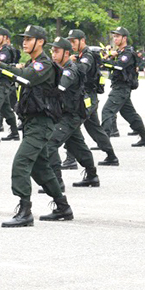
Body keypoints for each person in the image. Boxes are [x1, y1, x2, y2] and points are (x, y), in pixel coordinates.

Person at [0, 25, 73, 228]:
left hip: (41, 123)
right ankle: (63, 207)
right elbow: (18, 74)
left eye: (29, 38)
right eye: (24, 38)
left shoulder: (44, 65)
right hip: (31, 122)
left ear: (40, 42)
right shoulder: (32, 62)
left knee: (21, 164)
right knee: (40, 169)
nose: (24, 42)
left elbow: (25, 76)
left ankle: (25, 211)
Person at [48, 37, 99, 191]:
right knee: (76, 145)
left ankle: (56, 182)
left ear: (66, 53)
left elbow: (60, 89)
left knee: (50, 144)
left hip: (71, 115)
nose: (53, 54)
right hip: (67, 113)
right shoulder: (61, 67)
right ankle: (92, 175)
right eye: (52, 51)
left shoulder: (70, 70)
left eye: (57, 51)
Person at [67, 29, 118, 167]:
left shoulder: (87, 55)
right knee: (95, 128)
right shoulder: (81, 55)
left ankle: (70, 159)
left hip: (88, 96)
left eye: (74, 41)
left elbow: (82, 69)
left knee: (72, 124)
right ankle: (111, 156)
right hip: (87, 95)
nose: (71, 44)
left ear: (82, 40)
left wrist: (70, 63)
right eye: (70, 41)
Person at [100, 27, 145, 148]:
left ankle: (103, 142)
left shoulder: (127, 53)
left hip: (121, 88)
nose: (115, 39)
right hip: (120, 87)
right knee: (130, 114)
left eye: (118, 36)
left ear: (124, 38)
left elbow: (119, 66)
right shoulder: (120, 52)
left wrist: (102, 61)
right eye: (114, 36)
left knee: (107, 111)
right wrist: (109, 57)